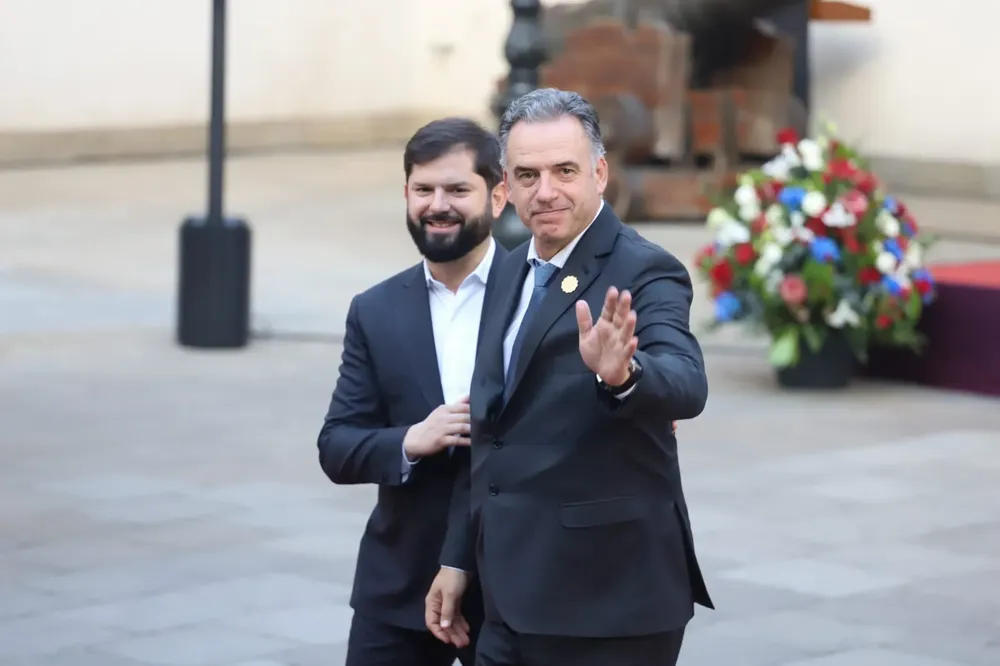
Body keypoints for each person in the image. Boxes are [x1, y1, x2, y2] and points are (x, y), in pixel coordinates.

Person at [424, 88, 713, 666]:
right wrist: (458, 558)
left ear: (600, 173)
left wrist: (624, 373)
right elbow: (490, 431)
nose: (546, 191)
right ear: (505, 184)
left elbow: (685, 381)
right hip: (506, 601)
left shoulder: (644, 266)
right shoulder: (507, 270)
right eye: (527, 175)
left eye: (565, 170)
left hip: (607, 607)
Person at [317, 117, 510, 666]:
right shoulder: (374, 310)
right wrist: (410, 440)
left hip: (507, 589)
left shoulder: (534, 296)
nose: (437, 205)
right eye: (423, 190)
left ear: (497, 196)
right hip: (399, 581)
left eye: (457, 190)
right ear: (405, 195)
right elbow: (337, 445)